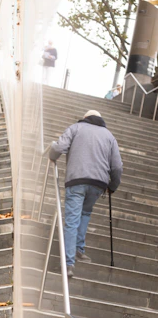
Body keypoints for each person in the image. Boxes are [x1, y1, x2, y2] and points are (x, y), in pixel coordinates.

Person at [49, 110, 123, 278]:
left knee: (72, 220)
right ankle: (78, 249)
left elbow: (59, 147)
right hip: (98, 184)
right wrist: (113, 186)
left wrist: (52, 155)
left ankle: (68, 264)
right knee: (85, 212)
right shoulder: (109, 136)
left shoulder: (76, 128)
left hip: (77, 180)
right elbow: (117, 166)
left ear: (85, 118)